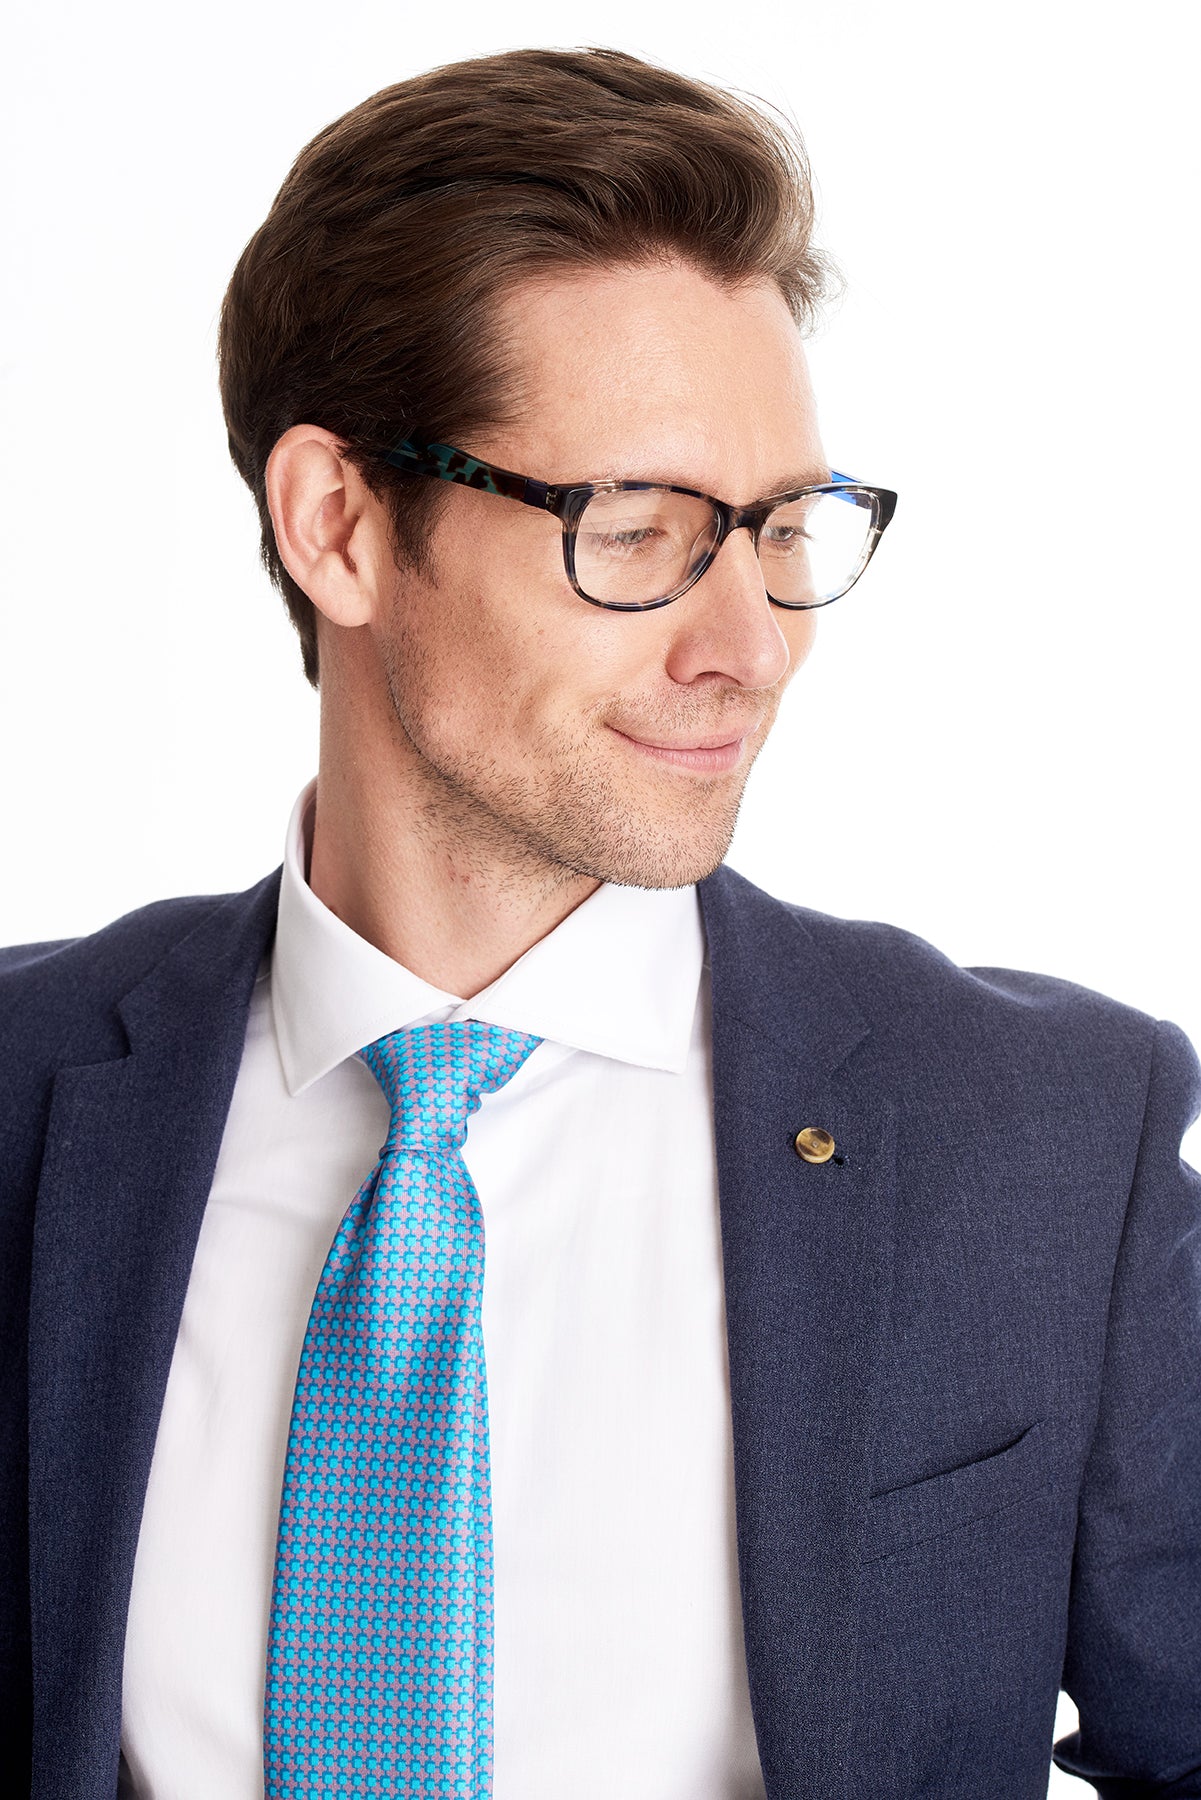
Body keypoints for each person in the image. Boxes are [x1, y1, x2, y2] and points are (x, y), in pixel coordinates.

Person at [1, 42, 1198, 1800]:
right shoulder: (23, 1099)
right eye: (636, 531)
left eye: (784, 529)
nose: (752, 643)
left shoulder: (1037, 1144)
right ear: (338, 525)